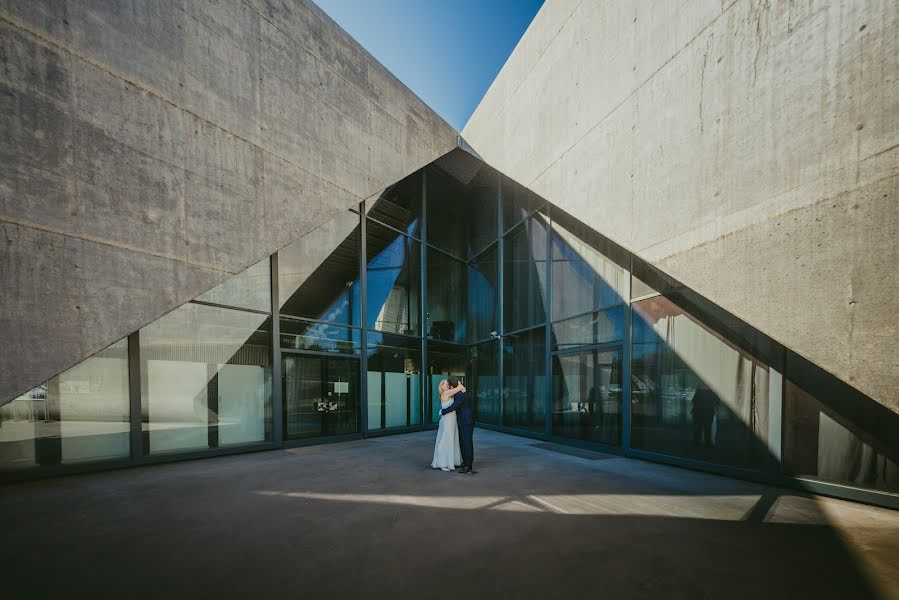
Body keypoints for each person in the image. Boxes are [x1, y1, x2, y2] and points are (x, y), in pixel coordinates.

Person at [440, 376, 476, 474]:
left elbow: (455, 406)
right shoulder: (460, 390)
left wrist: (443, 411)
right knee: (463, 442)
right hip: (463, 420)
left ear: (452, 386)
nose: (449, 387)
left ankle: (468, 467)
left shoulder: (460, 394)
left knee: (467, 443)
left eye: (449, 385)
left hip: (466, 420)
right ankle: (465, 463)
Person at [431, 379, 463, 471]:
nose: (447, 385)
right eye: (444, 384)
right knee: (445, 439)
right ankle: (442, 462)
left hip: (451, 419)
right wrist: (461, 386)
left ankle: (452, 461)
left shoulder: (449, 392)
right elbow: (460, 388)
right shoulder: (446, 393)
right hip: (447, 420)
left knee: (452, 438)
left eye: (447, 384)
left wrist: (461, 387)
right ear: (441, 386)